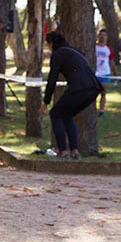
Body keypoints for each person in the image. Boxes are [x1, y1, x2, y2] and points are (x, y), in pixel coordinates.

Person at [40, 30, 104, 159]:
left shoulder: (58, 54)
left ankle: (63, 151)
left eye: (48, 45)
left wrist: (45, 102)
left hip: (80, 88)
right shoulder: (75, 51)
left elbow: (52, 79)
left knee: (55, 114)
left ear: (51, 43)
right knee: (67, 115)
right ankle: (74, 151)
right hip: (93, 88)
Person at [94, 28, 115, 116]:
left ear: (107, 37)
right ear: (98, 36)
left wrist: (115, 73)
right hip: (95, 73)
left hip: (105, 73)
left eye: (104, 35)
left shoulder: (108, 49)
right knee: (93, 93)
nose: (102, 37)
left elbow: (111, 62)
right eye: (101, 35)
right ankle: (93, 109)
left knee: (103, 92)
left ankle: (101, 110)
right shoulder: (94, 47)